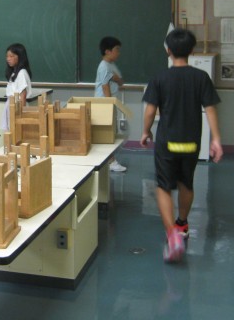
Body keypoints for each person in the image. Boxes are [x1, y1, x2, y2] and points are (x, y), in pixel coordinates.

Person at [140, 28, 223, 263]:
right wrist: (216, 139)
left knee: (163, 187)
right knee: (186, 183)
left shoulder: (159, 78)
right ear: (192, 51)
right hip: (190, 143)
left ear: (168, 51)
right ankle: (182, 224)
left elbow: (150, 111)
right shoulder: (201, 77)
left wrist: (145, 131)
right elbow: (210, 109)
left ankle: (172, 235)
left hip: (167, 142)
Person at [95, 36, 127, 172]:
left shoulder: (111, 65)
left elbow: (120, 82)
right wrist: (109, 105)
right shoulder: (104, 66)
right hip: (104, 104)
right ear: (107, 51)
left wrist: (117, 78)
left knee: (110, 132)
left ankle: (109, 160)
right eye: (116, 50)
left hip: (109, 103)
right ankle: (111, 162)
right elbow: (105, 86)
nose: (118, 53)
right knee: (107, 133)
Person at [1, 43, 32, 131]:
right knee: (10, 133)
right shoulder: (14, 72)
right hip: (11, 106)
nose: (8, 59)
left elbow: (23, 96)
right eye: (7, 56)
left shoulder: (22, 73)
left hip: (17, 108)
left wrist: (20, 116)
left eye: (11, 56)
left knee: (16, 133)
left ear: (20, 57)